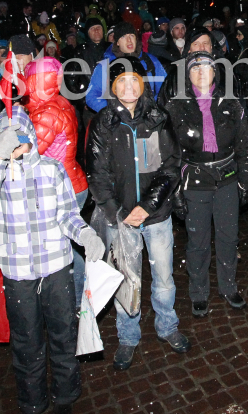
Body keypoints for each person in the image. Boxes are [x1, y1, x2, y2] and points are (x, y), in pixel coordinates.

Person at [0, 106, 103, 414]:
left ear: (31, 136)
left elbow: (68, 215)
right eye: (6, 140)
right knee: (27, 340)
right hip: (18, 273)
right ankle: (32, 401)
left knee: (63, 333)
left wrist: (85, 235)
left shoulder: (52, 169)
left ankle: (65, 395)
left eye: (20, 138)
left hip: (56, 266)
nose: (16, 145)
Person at [86, 57, 188, 371]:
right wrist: (119, 211)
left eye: (134, 81)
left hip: (155, 215)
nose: (129, 88)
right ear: (112, 87)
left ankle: (167, 325)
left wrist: (148, 206)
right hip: (120, 218)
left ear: (142, 84)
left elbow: (169, 167)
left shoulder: (157, 117)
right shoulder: (104, 121)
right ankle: (128, 336)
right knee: (125, 280)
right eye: (121, 82)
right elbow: (97, 173)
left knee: (163, 278)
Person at [162, 52, 248, 316]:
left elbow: (244, 145)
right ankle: (198, 292)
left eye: (207, 67)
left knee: (228, 237)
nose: (202, 72)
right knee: (197, 241)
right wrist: (176, 191)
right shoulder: (176, 106)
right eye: (195, 68)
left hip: (226, 179)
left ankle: (228, 286)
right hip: (194, 181)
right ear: (187, 74)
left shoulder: (231, 101)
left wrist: (246, 180)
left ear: (215, 71)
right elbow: (170, 154)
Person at [23, 56, 90, 305]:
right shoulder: (56, 102)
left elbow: (27, 156)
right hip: (70, 184)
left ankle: (76, 300)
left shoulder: (47, 112)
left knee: (65, 249)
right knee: (66, 244)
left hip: (64, 188)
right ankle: (74, 296)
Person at [85, 22, 167, 113]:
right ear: (117, 42)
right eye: (123, 37)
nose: (129, 40)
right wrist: (114, 112)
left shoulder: (151, 61)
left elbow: (164, 89)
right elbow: (92, 95)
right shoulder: (105, 65)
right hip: (118, 122)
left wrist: (150, 108)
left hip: (148, 119)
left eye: (131, 35)